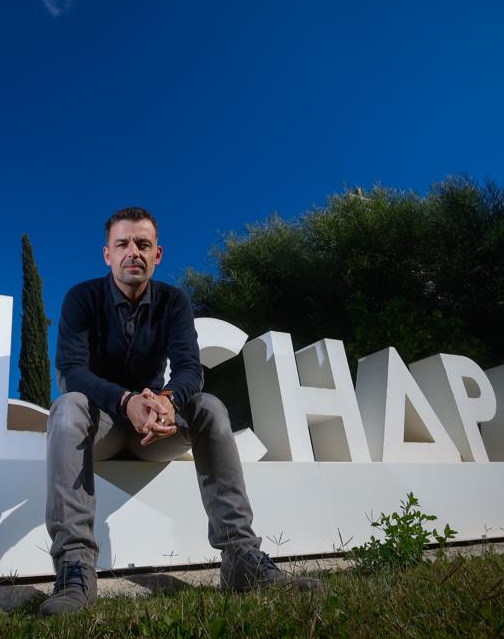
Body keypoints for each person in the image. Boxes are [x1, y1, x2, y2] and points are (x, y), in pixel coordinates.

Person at [39, 206, 320, 616]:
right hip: (99, 426)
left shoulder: (173, 301)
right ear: (107, 254)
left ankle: (241, 558)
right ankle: (74, 569)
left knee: (208, 407)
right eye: (123, 244)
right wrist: (125, 401)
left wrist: (167, 401)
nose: (133, 251)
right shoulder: (82, 298)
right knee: (66, 407)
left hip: (155, 432)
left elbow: (190, 368)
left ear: (158, 254)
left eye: (143, 244)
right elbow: (71, 372)